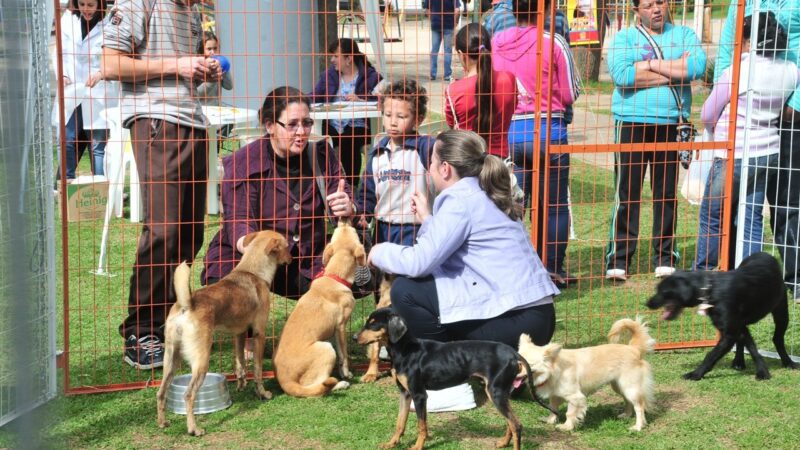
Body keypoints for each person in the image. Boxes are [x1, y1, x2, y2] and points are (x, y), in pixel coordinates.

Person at [368, 130, 558, 411]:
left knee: (407, 291)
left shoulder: (458, 200)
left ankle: (448, 389)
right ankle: (506, 372)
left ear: (445, 169)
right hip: (537, 321)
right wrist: (430, 220)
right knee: (433, 291)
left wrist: (378, 251)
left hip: (515, 322)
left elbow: (420, 261)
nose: (428, 168)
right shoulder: (483, 190)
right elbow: (456, 247)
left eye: (430, 162)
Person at [102, 0, 221, 369]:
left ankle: (171, 320)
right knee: (164, 230)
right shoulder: (139, 2)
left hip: (194, 123)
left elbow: (179, 73)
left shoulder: (191, 10)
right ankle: (140, 330)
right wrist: (178, 64)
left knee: (189, 233)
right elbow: (110, 64)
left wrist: (202, 71)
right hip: (156, 122)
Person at [202, 86, 355, 297]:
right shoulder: (243, 162)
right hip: (251, 257)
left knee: (361, 272)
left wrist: (348, 205)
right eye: (292, 125)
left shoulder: (321, 155)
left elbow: (346, 197)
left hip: (305, 259)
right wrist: (253, 250)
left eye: (307, 123)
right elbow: (238, 220)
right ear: (270, 125)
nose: (301, 132)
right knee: (237, 293)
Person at [604, 0, 706, 281]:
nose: (657, 9)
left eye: (660, 2)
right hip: (631, 120)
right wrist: (673, 73)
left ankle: (664, 255)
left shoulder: (684, 34)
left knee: (665, 192)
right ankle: (620, 257)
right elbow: (623, 76)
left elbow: (696, 67)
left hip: (670, 122)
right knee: (627, 191)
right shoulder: (623, 38)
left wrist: (648, 65)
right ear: (636, 10)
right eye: (648, 5)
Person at [695, 12, 799, 272]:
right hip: (768, 153)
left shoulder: (738, 71)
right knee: (751, 217)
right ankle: (748, 277)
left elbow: (708, 112)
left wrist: (711, 129)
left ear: (751, 40)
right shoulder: (791, 70)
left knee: (712, 214)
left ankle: (704, 274)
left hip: (733, 153)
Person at [492, 0, 580, 286]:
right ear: (543, 9)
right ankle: (552, 268)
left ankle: (514, 268)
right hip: (547, 130)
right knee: (554, 205)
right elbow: (570, 93)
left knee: (512, 204)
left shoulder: (496, 41)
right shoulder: (553, 42)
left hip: (510, 131)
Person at [716, 1, 800, 302]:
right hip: (744, 114)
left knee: (787, 200)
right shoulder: (741, 3)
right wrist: (724, 96)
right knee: (736, 198)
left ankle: (795, 277)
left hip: (789, 109)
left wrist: (797, 103)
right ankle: (732, 272)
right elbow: (728, 47)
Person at [355, 79, 435, 248]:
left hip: (415, 231)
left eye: (401, 117)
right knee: (382, 273)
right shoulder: (377, 153)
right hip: (383, 230)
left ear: (418, 120)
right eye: (388, 114)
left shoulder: (425, 148)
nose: (393, 122)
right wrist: (362, 214)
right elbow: (367, 194)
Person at [54, 0, 116, 180]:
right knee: (66, 139)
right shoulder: (68, 21)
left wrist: (100, 73)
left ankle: (100, 188)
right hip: (72, 89)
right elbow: (60, 53)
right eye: (82, 4)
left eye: (90, 4)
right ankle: (67, 184)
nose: (86, 9)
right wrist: (62, 74)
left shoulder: (110, 25)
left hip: (98, 93)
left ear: (100, 4)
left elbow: (114, 58)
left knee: (98, 146)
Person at [446, 23, 517, 158]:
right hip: (499, 160)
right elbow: (512, 107)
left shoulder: (453, 90)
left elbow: (453, 125)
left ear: (462, 55)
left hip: (467, 160)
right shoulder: (508, 79)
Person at [422, 0, 460, 81]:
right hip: (448, 24)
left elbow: (427, 10)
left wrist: (432, 20)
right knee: (447, 51)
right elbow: (457, 10)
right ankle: (447, 75)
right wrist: (455, 22)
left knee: (434, 50)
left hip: (435, 24)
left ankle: (433, 74)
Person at [195, 31, 233, 105]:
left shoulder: (218, 64)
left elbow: (229, 87)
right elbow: (196, 95)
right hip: (202, 110)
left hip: (216, 108)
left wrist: (224, 68)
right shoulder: (198, 67)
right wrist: (211, 80)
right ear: (201, 51)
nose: (213, 52)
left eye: (215, 48)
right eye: (209, 49)